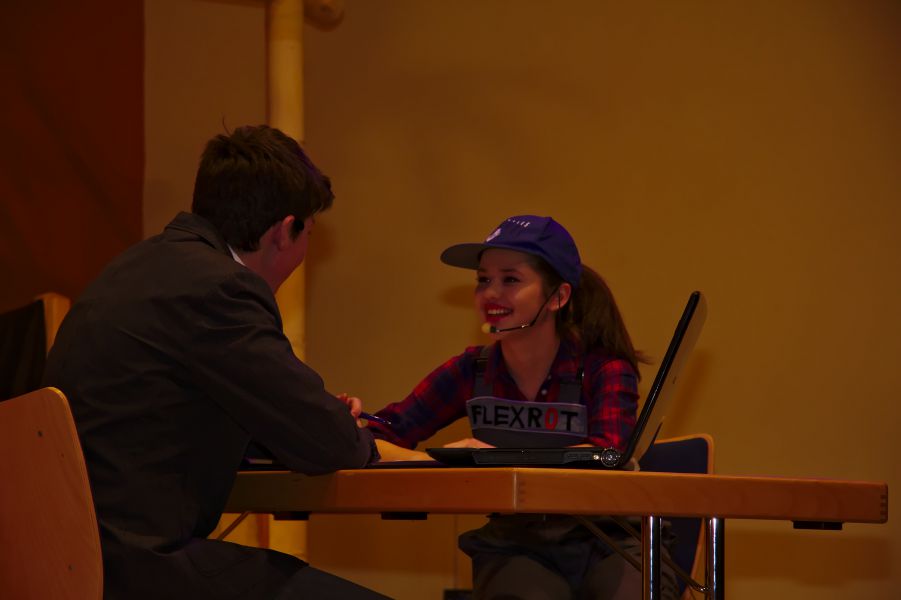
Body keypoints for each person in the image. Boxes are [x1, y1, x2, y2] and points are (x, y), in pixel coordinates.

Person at [42, 125, 389, 599]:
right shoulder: (221, 289)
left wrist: (305, 420)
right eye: (308, 233)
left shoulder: (134, 268)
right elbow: (333, 445)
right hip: (140, 569)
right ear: (283, 231)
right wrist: (341, 425)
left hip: (67, 560)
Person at [367, 215, 678, 599]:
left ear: (558, 297)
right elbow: (376, 437)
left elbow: (607, 458)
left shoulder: (604, 368)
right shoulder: (470, 369)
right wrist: (443, 462)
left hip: (613, 539)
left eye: (510, 279)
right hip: (517, 544)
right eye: (483, 280)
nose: (491, 293)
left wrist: (491, 462)